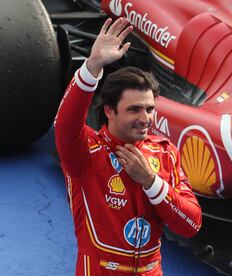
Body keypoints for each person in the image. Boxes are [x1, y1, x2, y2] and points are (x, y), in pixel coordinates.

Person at [54, 17, 202, 275]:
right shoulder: (86, 152)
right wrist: (92, 67)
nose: (145, 119)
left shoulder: (165, 152)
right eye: (134, 109)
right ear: (109, 111)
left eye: (150, 109)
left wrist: (150, 181)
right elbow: (65, 124)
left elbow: (191, 224)